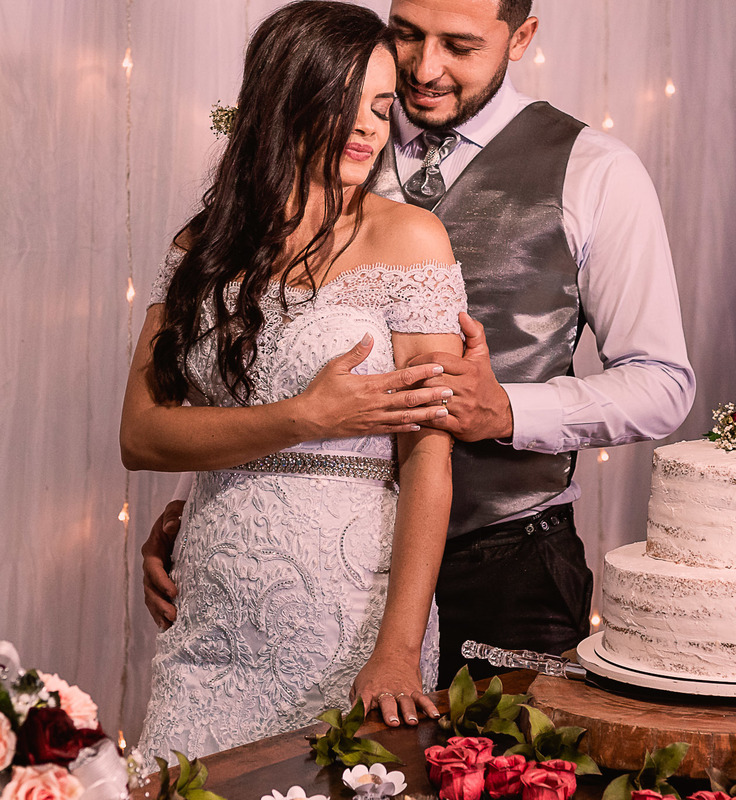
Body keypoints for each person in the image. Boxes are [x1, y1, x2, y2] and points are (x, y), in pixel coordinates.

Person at [142, 0, 695, 690]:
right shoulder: (321, 132)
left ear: (521, 37)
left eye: (459, 47)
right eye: (408, 34)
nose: (424, 68)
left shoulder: (596, 170)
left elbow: (663, 381)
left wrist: (509, 412)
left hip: (505, 567)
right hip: (317, 586)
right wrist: (216, 510)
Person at [122, 1, 465, 761]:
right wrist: (305, 416)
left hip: (348, 621)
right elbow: (142, 434)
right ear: (286, 98)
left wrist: (399, 649)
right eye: (347, 102)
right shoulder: (204, 243)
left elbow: (429, 460)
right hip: (209, 619)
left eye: (382, 105)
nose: (369, 127)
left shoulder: (410, 236)